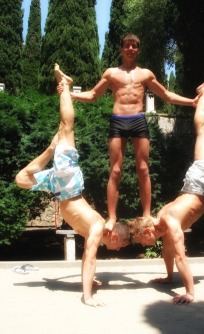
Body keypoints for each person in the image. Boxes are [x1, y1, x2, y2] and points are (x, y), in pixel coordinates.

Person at [15, 64, 130, 307]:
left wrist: (91, 280)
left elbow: (91, 261)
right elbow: (88, 259)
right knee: (66, 127)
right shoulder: (99, 229)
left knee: (21, 180)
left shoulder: (97, 233)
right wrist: (87, 296)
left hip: (60, 190)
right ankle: (65, 85)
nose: (118, 249)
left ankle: (50, 148)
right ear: (115, 235)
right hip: (69, 184)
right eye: (121, 244)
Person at [128, 73, 204, 304]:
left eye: (141, 241)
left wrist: (190, 292)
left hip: (200, 179)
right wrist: (168, 277)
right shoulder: (161, 226)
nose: (142, 245)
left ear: (148, 232)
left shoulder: (169, 222)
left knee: (202, 128)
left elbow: (181, 257)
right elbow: (169, 251)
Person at [67, 33, 199, 230]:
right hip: (118, 121)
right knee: (115, 171)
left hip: (138, 120)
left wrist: (191, 102)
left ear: (138, 50)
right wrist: (69, 95)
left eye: (134, 46)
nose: (130, 49)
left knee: (143, 169)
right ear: (121, 49)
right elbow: (94, 95)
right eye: (127, 45)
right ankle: (111, 217)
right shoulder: (111, 73)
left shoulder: (145, 74)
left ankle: (146, 214)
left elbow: (166, 95)